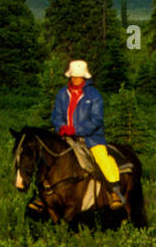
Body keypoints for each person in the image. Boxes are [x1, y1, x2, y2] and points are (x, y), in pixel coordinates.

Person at [51, 59, 125, 210]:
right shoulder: (62, 94)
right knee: (48, 159)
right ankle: (41, 195)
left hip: (92, 138)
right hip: (66, 137)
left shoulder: (94, 95)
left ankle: (114, 191)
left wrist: (76, 129)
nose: (74, 79)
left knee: (103, 159)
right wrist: (61, 127)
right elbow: (56, 115)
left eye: (77, 77)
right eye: (72, 76)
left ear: (84, 77)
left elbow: (96, 120)